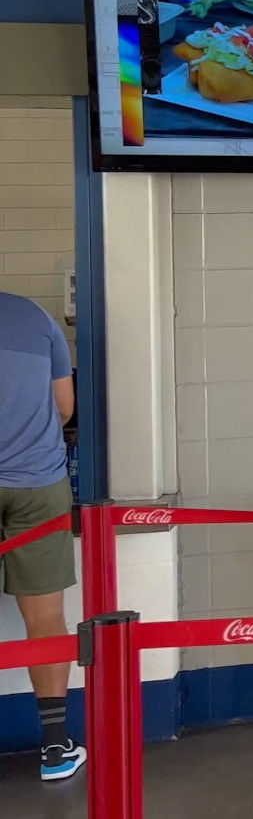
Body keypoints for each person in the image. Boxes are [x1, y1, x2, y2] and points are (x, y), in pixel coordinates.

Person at [0, 291, 85, 781]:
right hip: (36, 484)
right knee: (46, 616)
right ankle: (55, 748)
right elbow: (64, 407)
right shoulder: (34, 315)